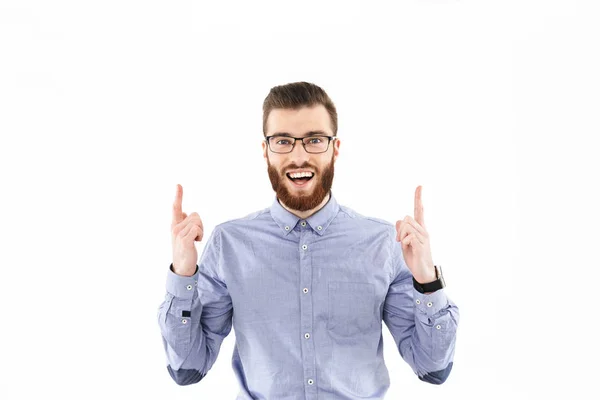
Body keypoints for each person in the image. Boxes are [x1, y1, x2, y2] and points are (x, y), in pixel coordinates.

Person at [157, 81, 460, 399]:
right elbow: (188, 368)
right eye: (283, 141)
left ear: (335, 148)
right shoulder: (229, 243)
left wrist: (427, 280)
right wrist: (182, 273)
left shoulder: (383, 242)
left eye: (314, 140)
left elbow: (433, 368)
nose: (298, 156)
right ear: (266, 151)